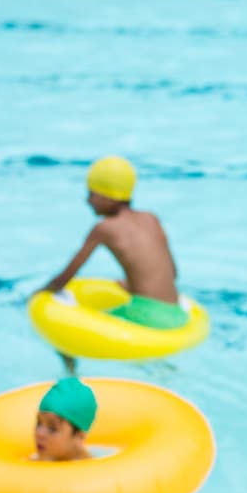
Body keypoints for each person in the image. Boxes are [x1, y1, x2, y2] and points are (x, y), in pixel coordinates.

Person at [39, 155, 187, 371]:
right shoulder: (151, 219)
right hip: (176, 314)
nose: (87, 200)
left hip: (147, 316)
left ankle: (70, 376)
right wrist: (135, 286)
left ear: (108, 197)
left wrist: (41, 293)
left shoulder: (105, 228)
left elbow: (67, 276)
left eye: (92, 194)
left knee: (66, 335)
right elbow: (172, 274)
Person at [34, 376, 97, 461]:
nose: (39, 433)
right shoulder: (44, 459)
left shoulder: (88, 470)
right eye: (39, 423)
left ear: (79, 436)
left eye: (52, 429)